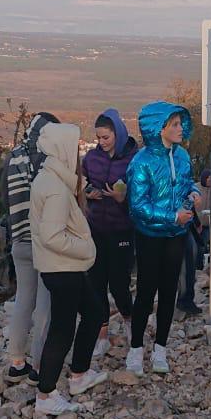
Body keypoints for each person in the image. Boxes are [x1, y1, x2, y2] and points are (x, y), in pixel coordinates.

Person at [30, 122, 105, 417]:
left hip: (62, 267)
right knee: (62, 329)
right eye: (75, 148)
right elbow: (53, 236)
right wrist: (87, 249)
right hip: (63, 268)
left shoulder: (51, 180)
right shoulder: (57, 189)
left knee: (94, 312)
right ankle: (46, 394)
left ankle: (79, 374)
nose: (79, 155)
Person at [126, 101, 199, 375]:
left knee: (169, 291)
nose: (180, 129)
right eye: (175, 125)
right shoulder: (142, 162)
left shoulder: (181, 156)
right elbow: (137, 206)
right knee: (145, 292)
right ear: (159, 128)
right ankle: (135, 350)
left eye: (181, 124)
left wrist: (193, 193)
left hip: (176, 236)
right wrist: (172, 218)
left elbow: (186, 182)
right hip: (150, 237)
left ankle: (160, 349)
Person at [2, 113, 58, 384]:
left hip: (19, 239)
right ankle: (39, 366)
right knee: (45, 304)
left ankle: (16, 363)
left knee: (23, 300)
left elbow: (5, 197)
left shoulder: (14, 157)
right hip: (43, 240)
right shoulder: (46, 158)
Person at [82, 109, 137, 357]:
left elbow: (140, 197)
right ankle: (101, 333)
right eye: (99, 138)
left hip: (121, 229)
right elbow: (81, 184)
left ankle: (129, 318)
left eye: (106, 137)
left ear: (118, 132)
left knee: (119, 283)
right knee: (96, 282)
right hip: (95, 227)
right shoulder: (92, 158)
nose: (101, 142)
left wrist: (121, 198)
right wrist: (88, 193)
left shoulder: (133, 159)